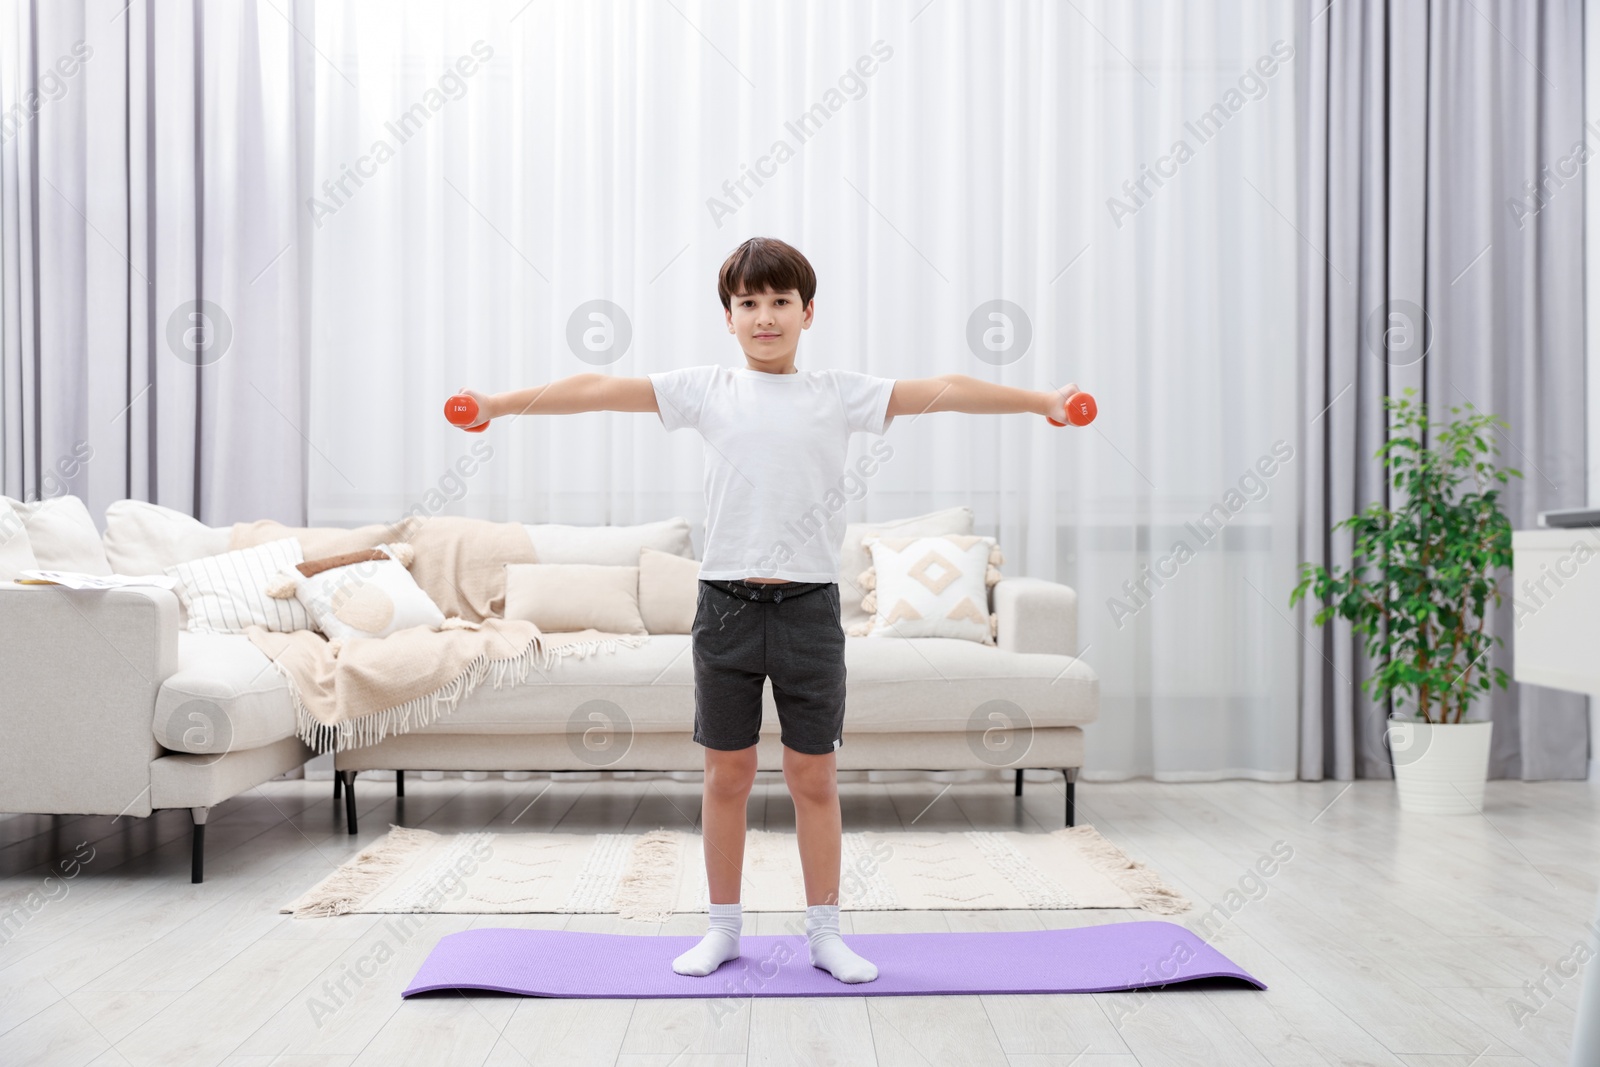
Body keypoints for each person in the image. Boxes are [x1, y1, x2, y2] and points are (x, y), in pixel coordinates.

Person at [457, 235, 1081, 983]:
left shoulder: (837, 393)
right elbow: (596, 388)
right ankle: (723, 928)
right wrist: (495, 405)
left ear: (807, 311)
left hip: (810, 611)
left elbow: (944, 387)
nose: (764, 316)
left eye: (780, 301)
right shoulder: (706, 388)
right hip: (724, 607)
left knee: (814, 777)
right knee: (727, 776)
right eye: (748, 303)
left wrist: (1044, 401)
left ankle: (825, 932)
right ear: (728, 316)